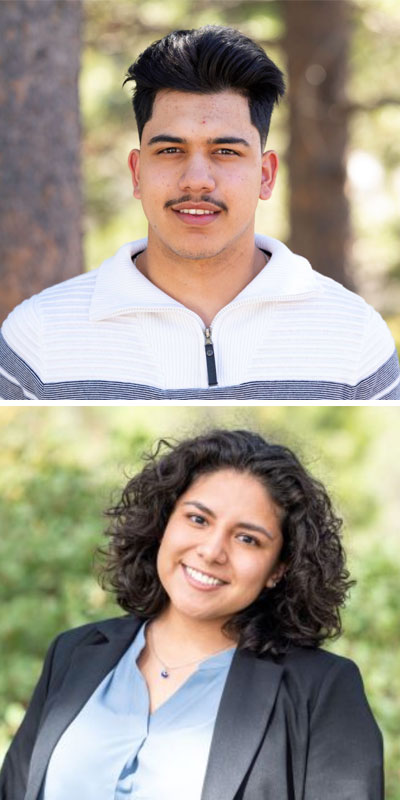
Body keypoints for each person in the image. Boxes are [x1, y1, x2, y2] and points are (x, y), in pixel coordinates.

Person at [0, 26, 399, 401]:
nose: (197, 180)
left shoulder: (354, 337)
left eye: (225, 152)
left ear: (265, 175)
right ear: (137, 173)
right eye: (170, 151)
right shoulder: (38, 338)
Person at [0, 429, 383, 800]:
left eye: (247, 538)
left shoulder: (321, 689)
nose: (212, 550)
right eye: (198, 519)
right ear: (164, 522)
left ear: (279, 568)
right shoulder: (73, 653)